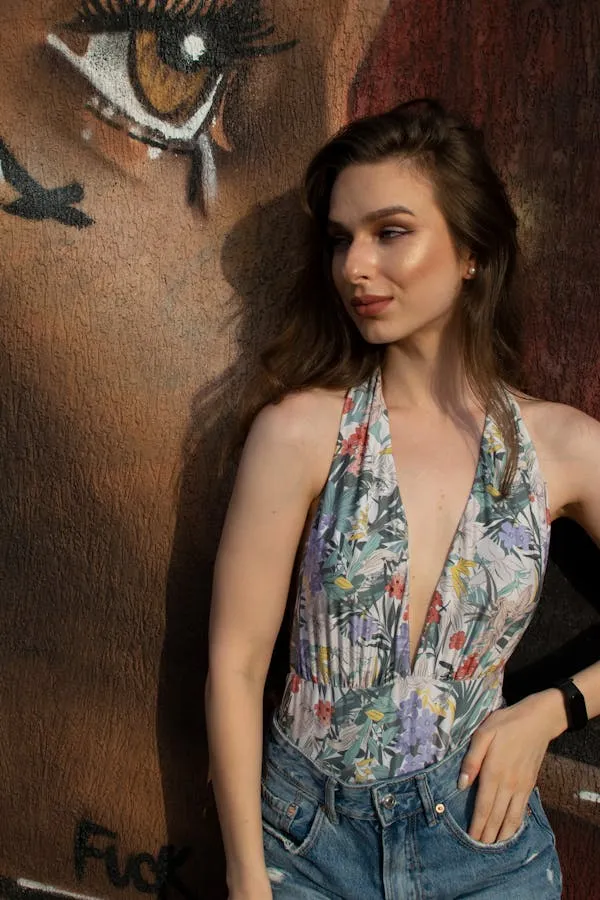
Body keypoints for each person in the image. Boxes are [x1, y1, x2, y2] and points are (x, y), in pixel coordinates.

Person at [205, 99, 600, 899]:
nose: (355, 266)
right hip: (305, 844)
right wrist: (248, 875)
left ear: (472, 254)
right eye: (341, 239)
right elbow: (236, 664)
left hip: (483, 847)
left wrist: (555, 709)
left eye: (389, 232)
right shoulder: (300, 433)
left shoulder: (562, 448)